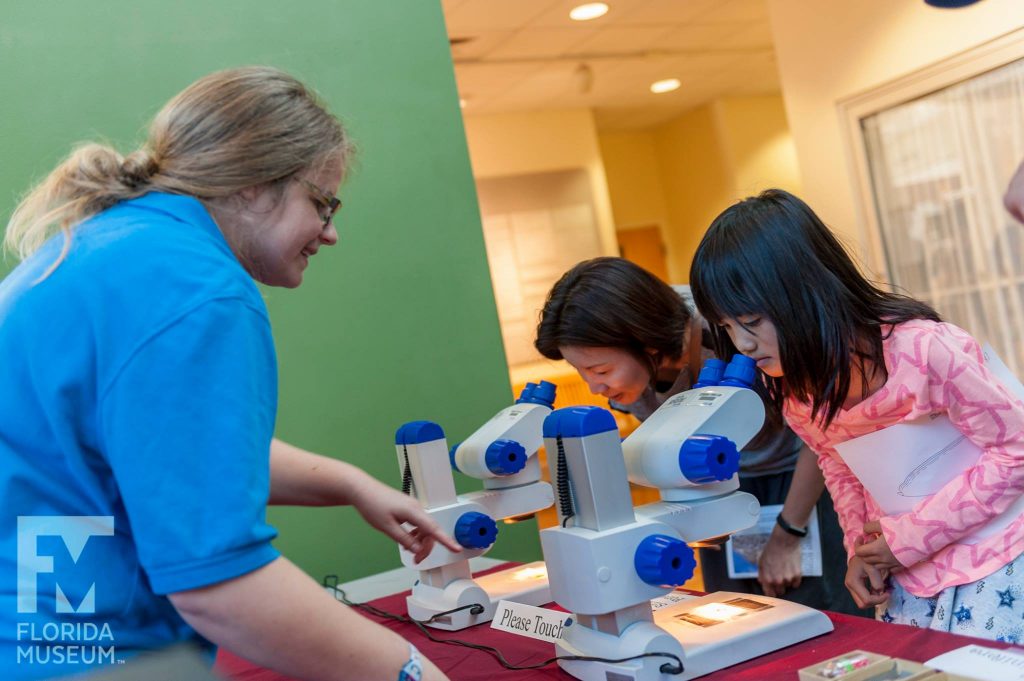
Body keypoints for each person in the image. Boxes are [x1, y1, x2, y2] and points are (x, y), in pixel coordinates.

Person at [0, 66, 459, 680]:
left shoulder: (109, 248)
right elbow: (217, 586)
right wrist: (411, 672)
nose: (331, 232)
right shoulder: (196, 290)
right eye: (321, 203)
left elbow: (157, 453)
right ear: (251, 185)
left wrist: (347, 482)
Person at [689, 188, 1024, 641]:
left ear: (805, 292)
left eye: (750, 320)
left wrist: (907, 540)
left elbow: (1016, 451)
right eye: (727, 327)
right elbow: (839, 466)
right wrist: (860, 553)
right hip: (909, 571)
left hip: (1000, 551)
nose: (743, 344)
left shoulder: (924, 350)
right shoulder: (798, 394)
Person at [534, 256, 862, 616]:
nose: (594, 387)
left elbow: (823, 436)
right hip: (714, 487)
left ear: (646, 343)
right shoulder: (629, 380)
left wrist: (788, 531)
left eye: (600, 370)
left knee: (817, 612)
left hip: (804, 478)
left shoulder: (731, 332)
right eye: (582, 373)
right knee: (735, 612)